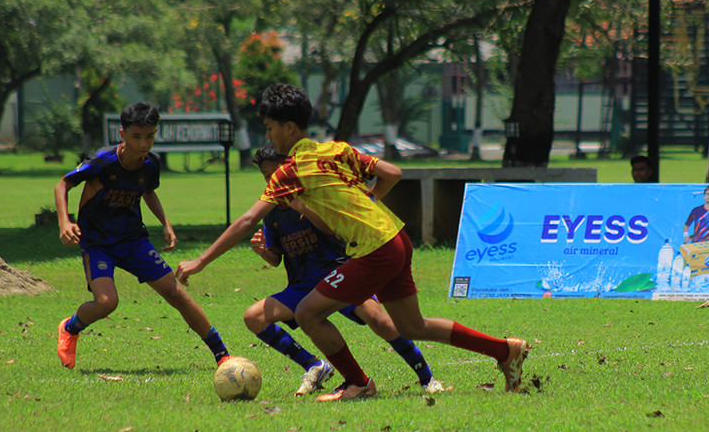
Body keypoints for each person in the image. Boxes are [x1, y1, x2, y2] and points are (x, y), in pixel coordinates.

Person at [176, 83, 530, 401]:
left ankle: (358, 382)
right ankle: (504, 351)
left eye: (270, 128)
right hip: (395, 237)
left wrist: (200, 261)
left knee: (308, 313)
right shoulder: (335, 150)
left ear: (289, 127)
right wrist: (371, 201)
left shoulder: (291, 169)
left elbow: (248, 219)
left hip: (374, 249)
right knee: (412, 326)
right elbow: (392, 173)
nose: (270, 136)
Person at [245, 144, 446, 396]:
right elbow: (276, 259)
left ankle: (427, 377)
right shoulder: (272, 211)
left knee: (381, 321)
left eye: (275, 174)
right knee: (254, 317)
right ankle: (313, 365)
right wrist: (262, 250)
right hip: (303, 286)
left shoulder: (315, 192)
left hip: (341, 274)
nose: (273, 182)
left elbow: (331, 229)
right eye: (266, 178)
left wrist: (302, 208)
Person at [54, 102, 233, 370]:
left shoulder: (150, 164)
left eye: (149, 136)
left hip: (132, 240)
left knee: (176, 294)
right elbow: (63, 184)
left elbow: (148, 191)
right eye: (137, 136)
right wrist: (64, 222)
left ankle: (222, 354)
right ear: (123, 134)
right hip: (98, 243)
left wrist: (165, 223)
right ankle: (70, 327)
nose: (144, 143)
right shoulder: (102, 161)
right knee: (106, 303)